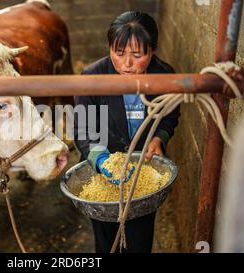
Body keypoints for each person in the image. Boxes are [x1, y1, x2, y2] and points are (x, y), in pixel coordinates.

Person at [74, 11, 180, 253]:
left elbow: (171, 115)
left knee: (139, 239)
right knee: (106, 241)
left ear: (152, 50)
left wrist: (158, 138)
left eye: (137, 55)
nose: (127, 64)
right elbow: (83, 128)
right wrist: (102, 160)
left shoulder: (164, 75)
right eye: (119, 53)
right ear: (110, 47)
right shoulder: (92, 77)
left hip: (144, 170)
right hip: (101, 172)